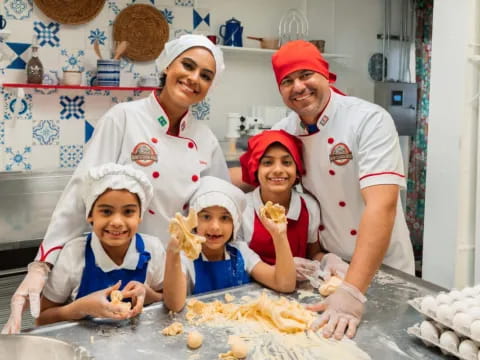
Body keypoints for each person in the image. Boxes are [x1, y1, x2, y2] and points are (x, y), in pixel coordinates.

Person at [3, 34, 228, 333]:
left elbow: (220, 203)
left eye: (205, 75)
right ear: (166, 66)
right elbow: (81, 191)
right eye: (187, 65)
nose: (194, 78)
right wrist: (42, 264)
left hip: (172, 277)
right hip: (117, 265)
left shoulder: (206, 139)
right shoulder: (124, 118)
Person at [265, 40, 414, 339]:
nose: (298, 87)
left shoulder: (368, 120)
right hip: (331, 269)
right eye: (287, 81)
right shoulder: (283, 131)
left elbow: (381, 205)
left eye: (305, 74)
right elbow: (252, 174)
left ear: (326, 75)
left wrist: (353, 290)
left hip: (384, 266)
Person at [36, 163, 179, 325]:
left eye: (128, 212)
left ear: (140, 216)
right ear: (90, 215)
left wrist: (148, 294)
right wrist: (80, 308)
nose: (117, 222)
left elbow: (168, 302)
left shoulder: (153, 249)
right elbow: (42, 319)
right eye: (106, 211)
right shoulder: (73, 254)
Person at [239, 129, 348, 279]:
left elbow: (313, 253)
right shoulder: (243, 209)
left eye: (287, 162)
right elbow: (237, 262)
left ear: (297, 169)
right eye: (267, 162)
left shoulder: (308, 206)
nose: (278, 170)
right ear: (255, 169)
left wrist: (327, 260)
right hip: (254, 291)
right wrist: (281, 269)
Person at [181, 176, 296, 295]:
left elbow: (285, 285)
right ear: (194, 221)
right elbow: (173, 303)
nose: (215, 227)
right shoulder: (186, 258)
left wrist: (279, 236)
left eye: (225, 218)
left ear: (235, 224)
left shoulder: (241, 252)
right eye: (206, 217)